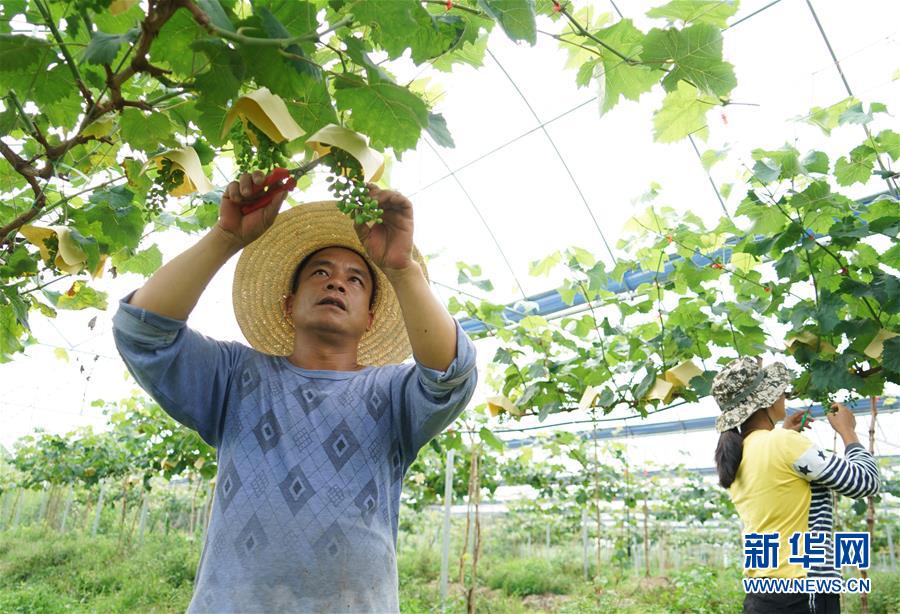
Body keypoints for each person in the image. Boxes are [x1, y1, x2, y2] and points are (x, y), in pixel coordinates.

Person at [112, 172, 478, 612]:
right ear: (289, 304)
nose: (336, 283)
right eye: (320, 272)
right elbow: (142, 332)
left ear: (369, 318)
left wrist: (402, 270)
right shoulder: (234, 376)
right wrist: (226, 237)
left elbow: (450, 376)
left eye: (356, 280)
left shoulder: (394, 393)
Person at [712, 357, 880, 614]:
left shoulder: (737, 454)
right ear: (766, 400)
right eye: (778, 390)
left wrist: (785, 432)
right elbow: (865, 482)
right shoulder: (782, 443)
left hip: (762, 593)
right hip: (802, 590)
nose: (784, 395)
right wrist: (848, 431)